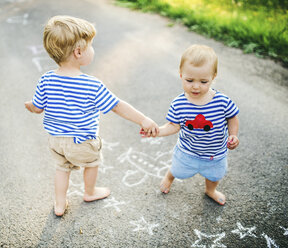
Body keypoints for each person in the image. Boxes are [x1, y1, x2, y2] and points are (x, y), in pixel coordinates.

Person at [25, 15, 159, 216]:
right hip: (82, 141)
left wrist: (30, 106)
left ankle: (60, 204)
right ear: (78, 52)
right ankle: (90, 192)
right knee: (92, 163)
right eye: (90, 46)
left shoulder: (46, 79)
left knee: (62, 169)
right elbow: (116, 106)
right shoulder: (91, 85)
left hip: (56, 141)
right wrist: (143, 119)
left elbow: (38, 107)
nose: (93, 49)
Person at [142, 44, 239, 205]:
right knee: (177, 170)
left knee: (215, 176)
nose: (195, 86)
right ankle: (169, 177)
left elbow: (232, 117)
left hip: (215, 154)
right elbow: (174, 125)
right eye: (189, 80)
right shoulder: (179, 103)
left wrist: (233, 135)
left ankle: (210, 190)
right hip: (187, 151)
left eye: (203, 81)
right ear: (181, 75)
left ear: (213, 77)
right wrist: (157, 131)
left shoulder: (222, 101)